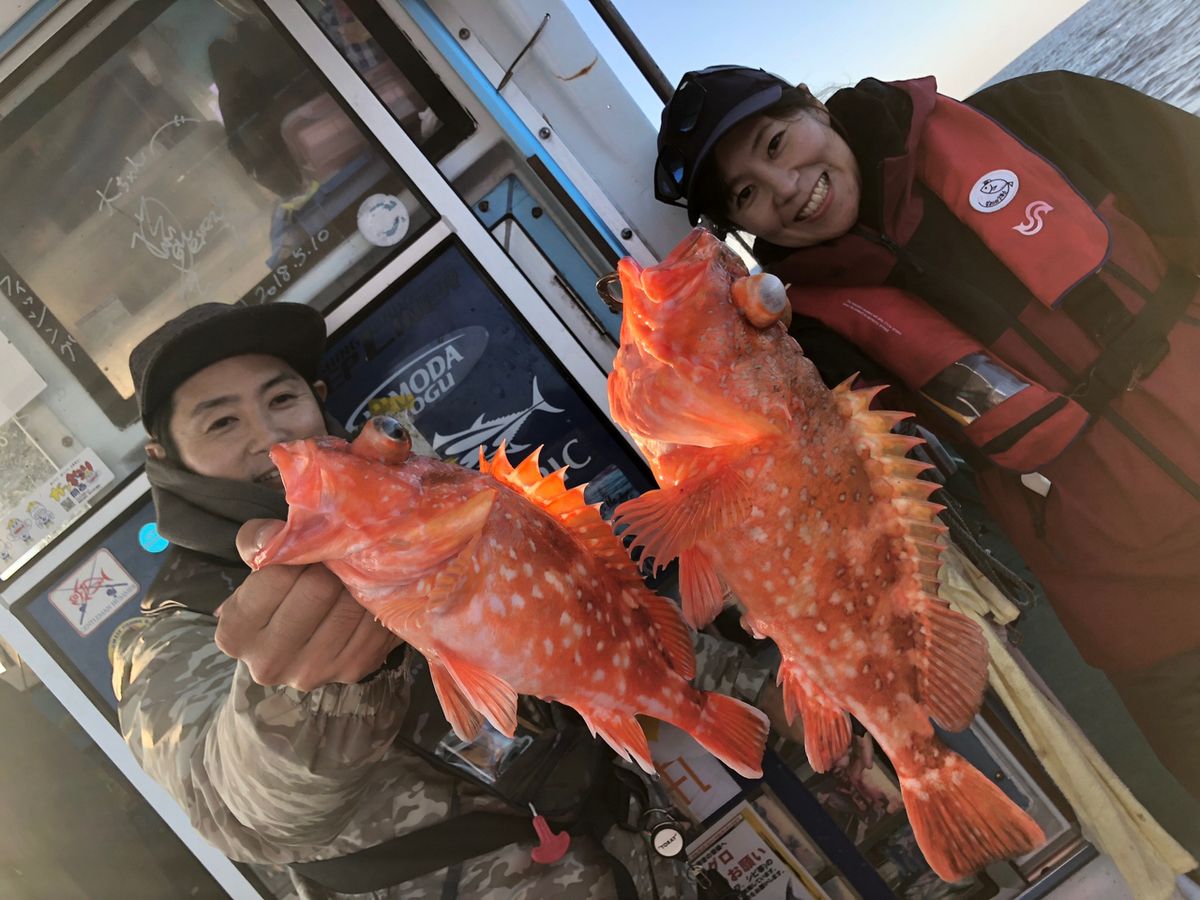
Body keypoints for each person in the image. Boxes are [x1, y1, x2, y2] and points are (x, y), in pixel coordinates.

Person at [109, 301, 783, 900]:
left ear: (318, 398)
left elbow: (590, 616)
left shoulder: (428, 495)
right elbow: (238, 805)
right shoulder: (165, 633)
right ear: (164, 453)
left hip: (649, 864)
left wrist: (774, 683)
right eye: (221, 422)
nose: (270, 437)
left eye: (281, 399)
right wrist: (318, 691)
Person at [652, 65, 1200, 799]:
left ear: (816, 107)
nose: (783, 188)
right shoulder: (809, 336)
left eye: (776, 142)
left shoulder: (1031, 114)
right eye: (747, 194)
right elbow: (813, 492)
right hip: (1146, 617)